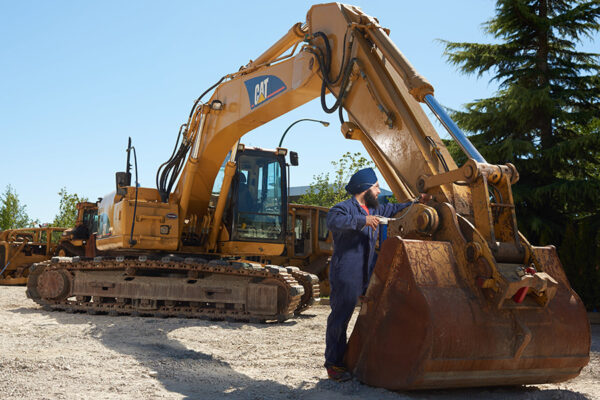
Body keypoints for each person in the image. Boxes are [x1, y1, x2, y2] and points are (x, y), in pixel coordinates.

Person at [324, 167, 429, 382]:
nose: (379, 191)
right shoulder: (342, 209)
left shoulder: (374, 209)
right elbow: (333, 222)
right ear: (365, 189)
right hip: (346, 274)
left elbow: (395, 208)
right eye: (376, 187)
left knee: (379, 311)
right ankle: (333, 364)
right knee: (340, 317)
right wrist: (362, 221)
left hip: (367, 272)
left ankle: (362, 359)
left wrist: (417, 202)